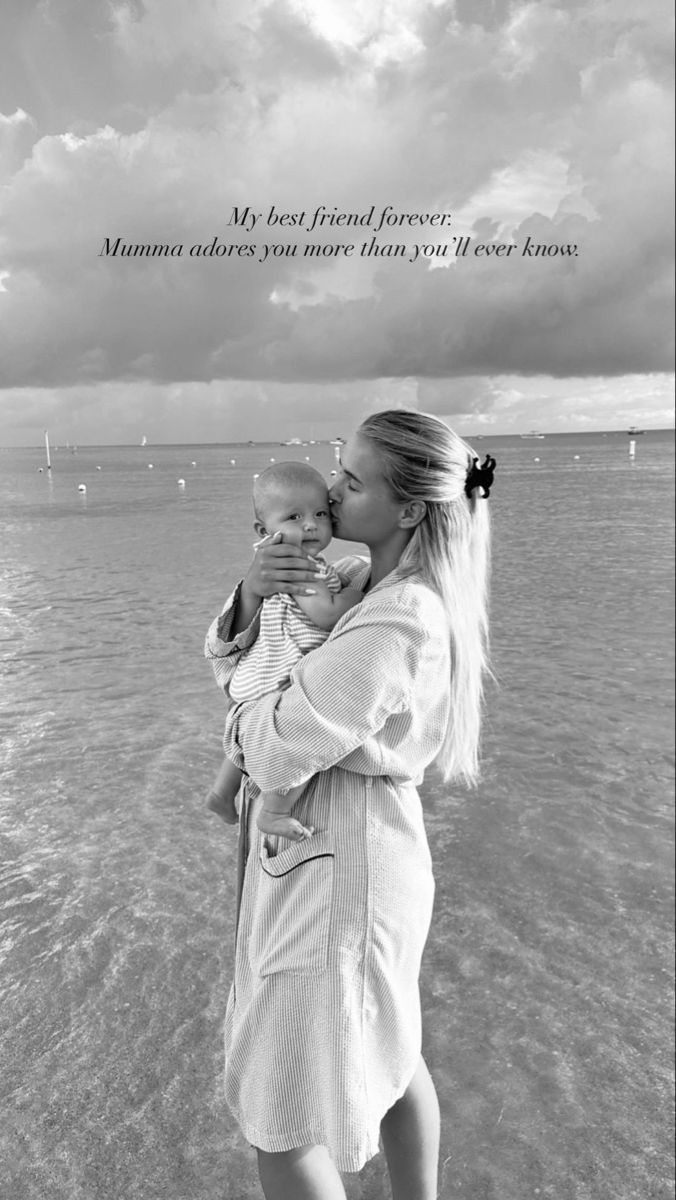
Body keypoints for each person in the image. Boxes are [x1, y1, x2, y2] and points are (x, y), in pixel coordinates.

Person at [204, 410, 494, 1200]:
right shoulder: (374, 588)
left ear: (408, 509)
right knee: (392, 1056)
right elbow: (258, 657)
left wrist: (237, 725)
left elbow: (272, 744)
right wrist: (251, 596)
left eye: (354, 479)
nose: (332, 490)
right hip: (356, 849)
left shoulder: (396, 617)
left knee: (281, 1116)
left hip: (340, 861)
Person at [205, 461, 363, 840]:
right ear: (264, 531)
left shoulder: (292, 561)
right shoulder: (299, 566)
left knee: (243, 733)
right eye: (294, 516)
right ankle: (275, 810)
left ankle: (221, 792)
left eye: (320, 514)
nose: (310, 525)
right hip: (279, 674)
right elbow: (325, 614)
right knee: (296, 742)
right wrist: (357, 597)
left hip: (259, 673)